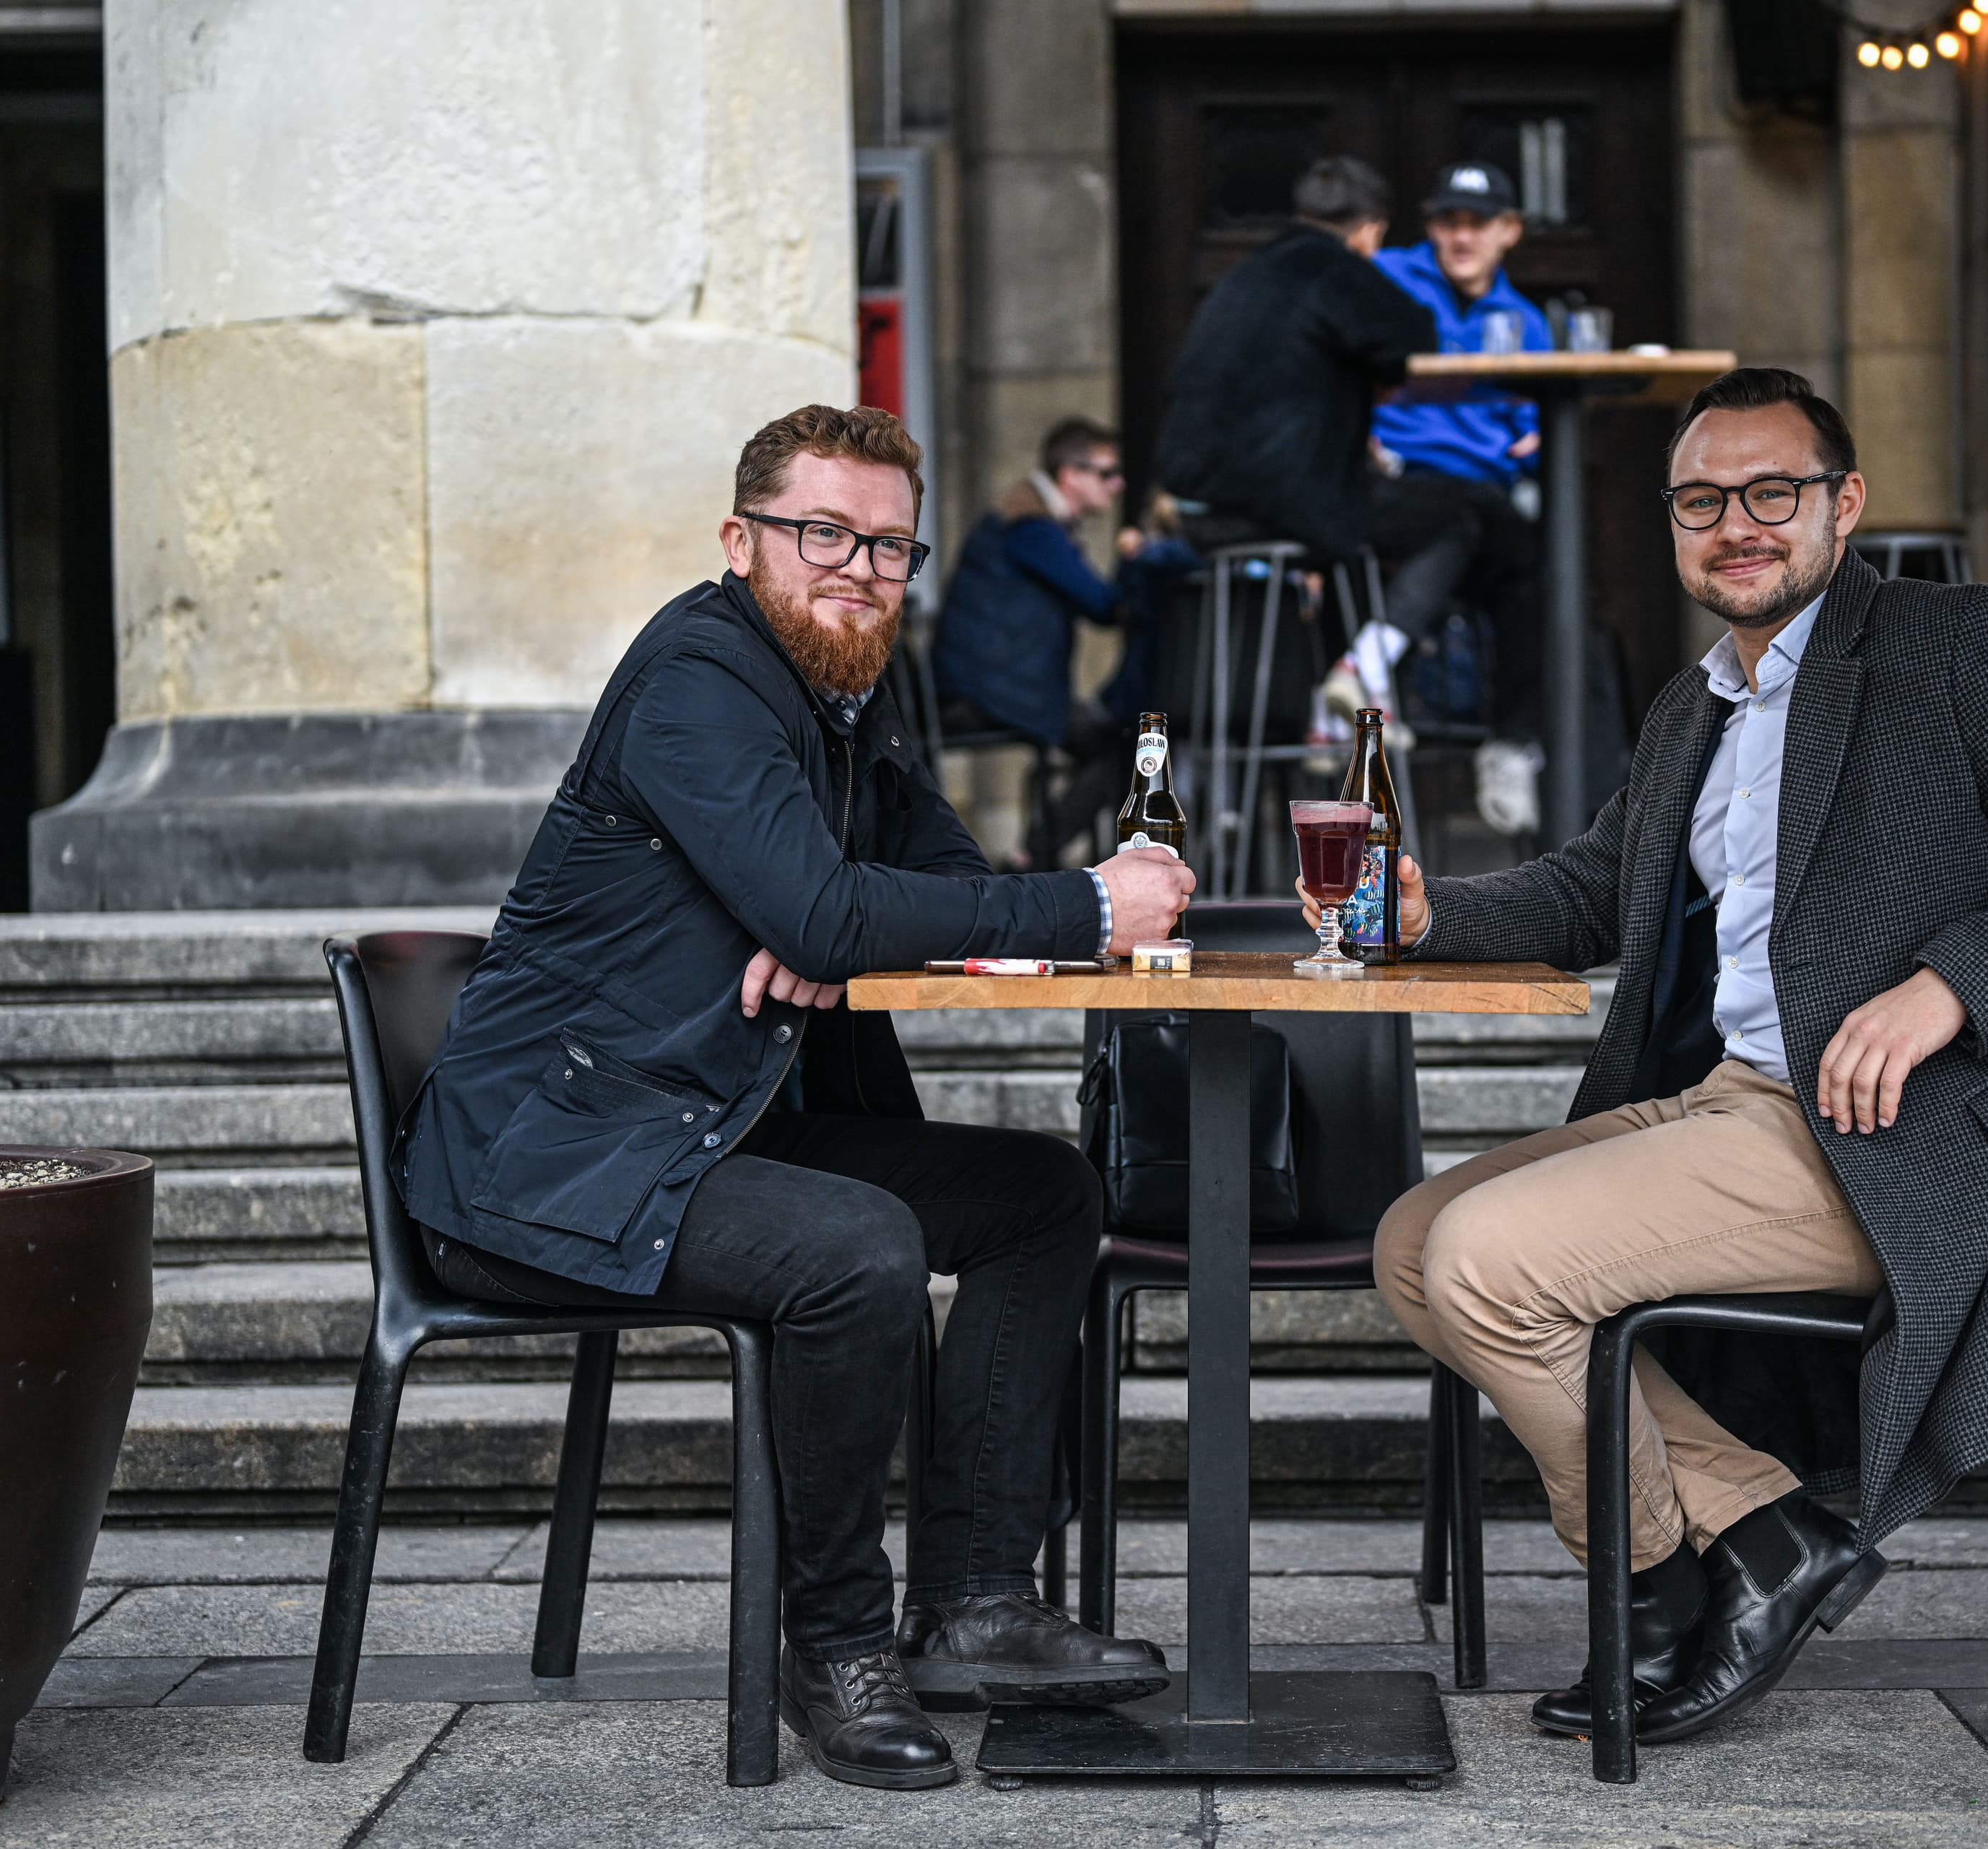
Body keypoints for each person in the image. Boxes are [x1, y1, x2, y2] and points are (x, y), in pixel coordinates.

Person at [1307, 369, 1988, 1747]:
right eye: (1701, 501)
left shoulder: (1959, 647)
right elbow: (1595, 893)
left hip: (1881, 1135)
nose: (1737, 524)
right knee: (1415, 1241)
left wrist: (1948, 991)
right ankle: (1765, 1542)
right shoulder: (1696, 706)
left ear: (1843, 505)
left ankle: (1662, 1587)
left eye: (1771, 493)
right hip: (1734, 1107)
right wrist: (1433, 918)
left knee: (1492, 1263)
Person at [399, 405, 1194, 1792]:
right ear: (740, 540)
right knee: (854, 1248)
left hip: (697, 1120)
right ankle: (833, 1647)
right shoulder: (701, 677)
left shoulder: (841, 690)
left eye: (889, 544)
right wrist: (1080, 903)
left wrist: (852, 917)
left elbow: (913, 871)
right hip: (550, 1161)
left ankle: (975, 1601)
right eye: (822, 532)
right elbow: (832, 914)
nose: (858, 566)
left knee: (1038, 1195)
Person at [1154, 156, 1488, 743]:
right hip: (1284, 507)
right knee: (1463, 514)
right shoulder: (1335, 269)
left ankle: (1329, 713)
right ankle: (1365, 668)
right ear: (1369, 231)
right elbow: (1412, 338)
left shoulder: (1240, 279)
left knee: (1349, 538)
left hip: (1195, 514)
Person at [1371, 160, 1555, 834]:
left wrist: (1531, 443)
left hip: (1480, 500)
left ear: (1510, 232)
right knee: (1478, 516)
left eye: (1479, 223)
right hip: (1395, 486)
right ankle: (1364, 688)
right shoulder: (1388, 278)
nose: (1462, 236)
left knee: (1539, 569)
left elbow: (1531, 424)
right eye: (1450, 221)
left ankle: (1510, 745)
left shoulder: (1526, 320)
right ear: (1430, 227)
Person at [932, 416, 1147, 862]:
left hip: (994, 688)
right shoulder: (1031, 528)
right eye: (1106, 473)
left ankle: (1035, 856)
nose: (1118, 484)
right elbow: (1103, 605)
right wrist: (1136, 559)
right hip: (988, 694)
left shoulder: (1026, 520)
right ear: (1071, 475)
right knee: (1123, 745)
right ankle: (1032, 860)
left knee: (1116, 740)